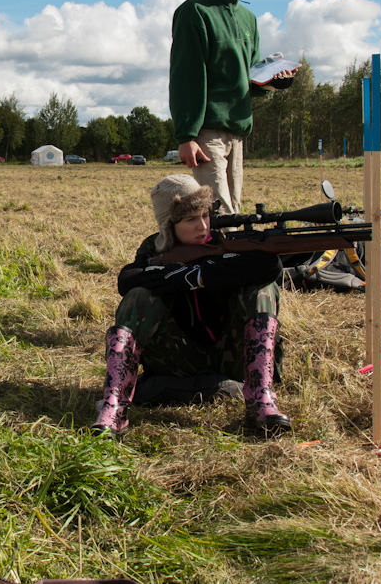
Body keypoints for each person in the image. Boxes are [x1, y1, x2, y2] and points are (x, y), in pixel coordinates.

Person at [91, 174, 290, 436]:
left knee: (264, 288)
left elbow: (269, 266)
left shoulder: (226, 243)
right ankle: (114, 407)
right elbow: (127, 280)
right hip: (175, 360)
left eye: (205, 215)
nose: (203, 226)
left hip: (230, 356)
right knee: (138, 296)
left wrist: (200, 275)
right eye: (190, 219)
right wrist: (181, 277)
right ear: (168, 226)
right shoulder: (154, 250)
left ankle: (260, 399)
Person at [169, 0, 297, 215]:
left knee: (234, 211)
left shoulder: (247, 18)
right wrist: (186, 135)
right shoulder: (195, 12)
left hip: (238, 131)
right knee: (220, 212)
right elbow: (186, 77)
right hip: (207, 133)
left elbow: (249, 76)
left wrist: (273, 83)